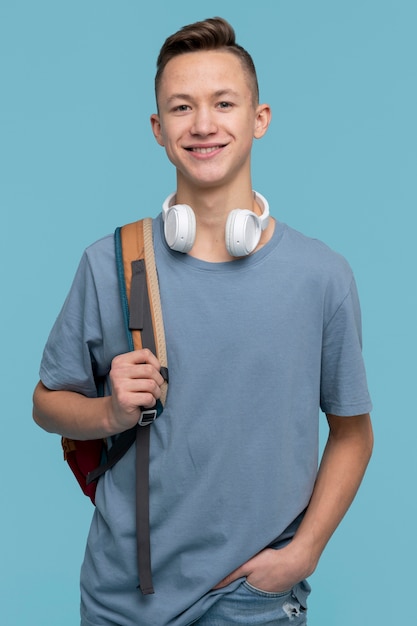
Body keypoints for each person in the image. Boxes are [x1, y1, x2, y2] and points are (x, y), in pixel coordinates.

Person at [33, 16, 373, 626]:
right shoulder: (111, 263)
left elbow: (353, 433)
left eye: (224, 103)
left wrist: (303, 554)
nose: (204, 124)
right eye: (182, 108)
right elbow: (46, 403)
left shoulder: (322, 275)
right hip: (121, 597)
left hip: (253, 599)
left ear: (259, 119)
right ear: (159, 130)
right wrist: (108, 411)